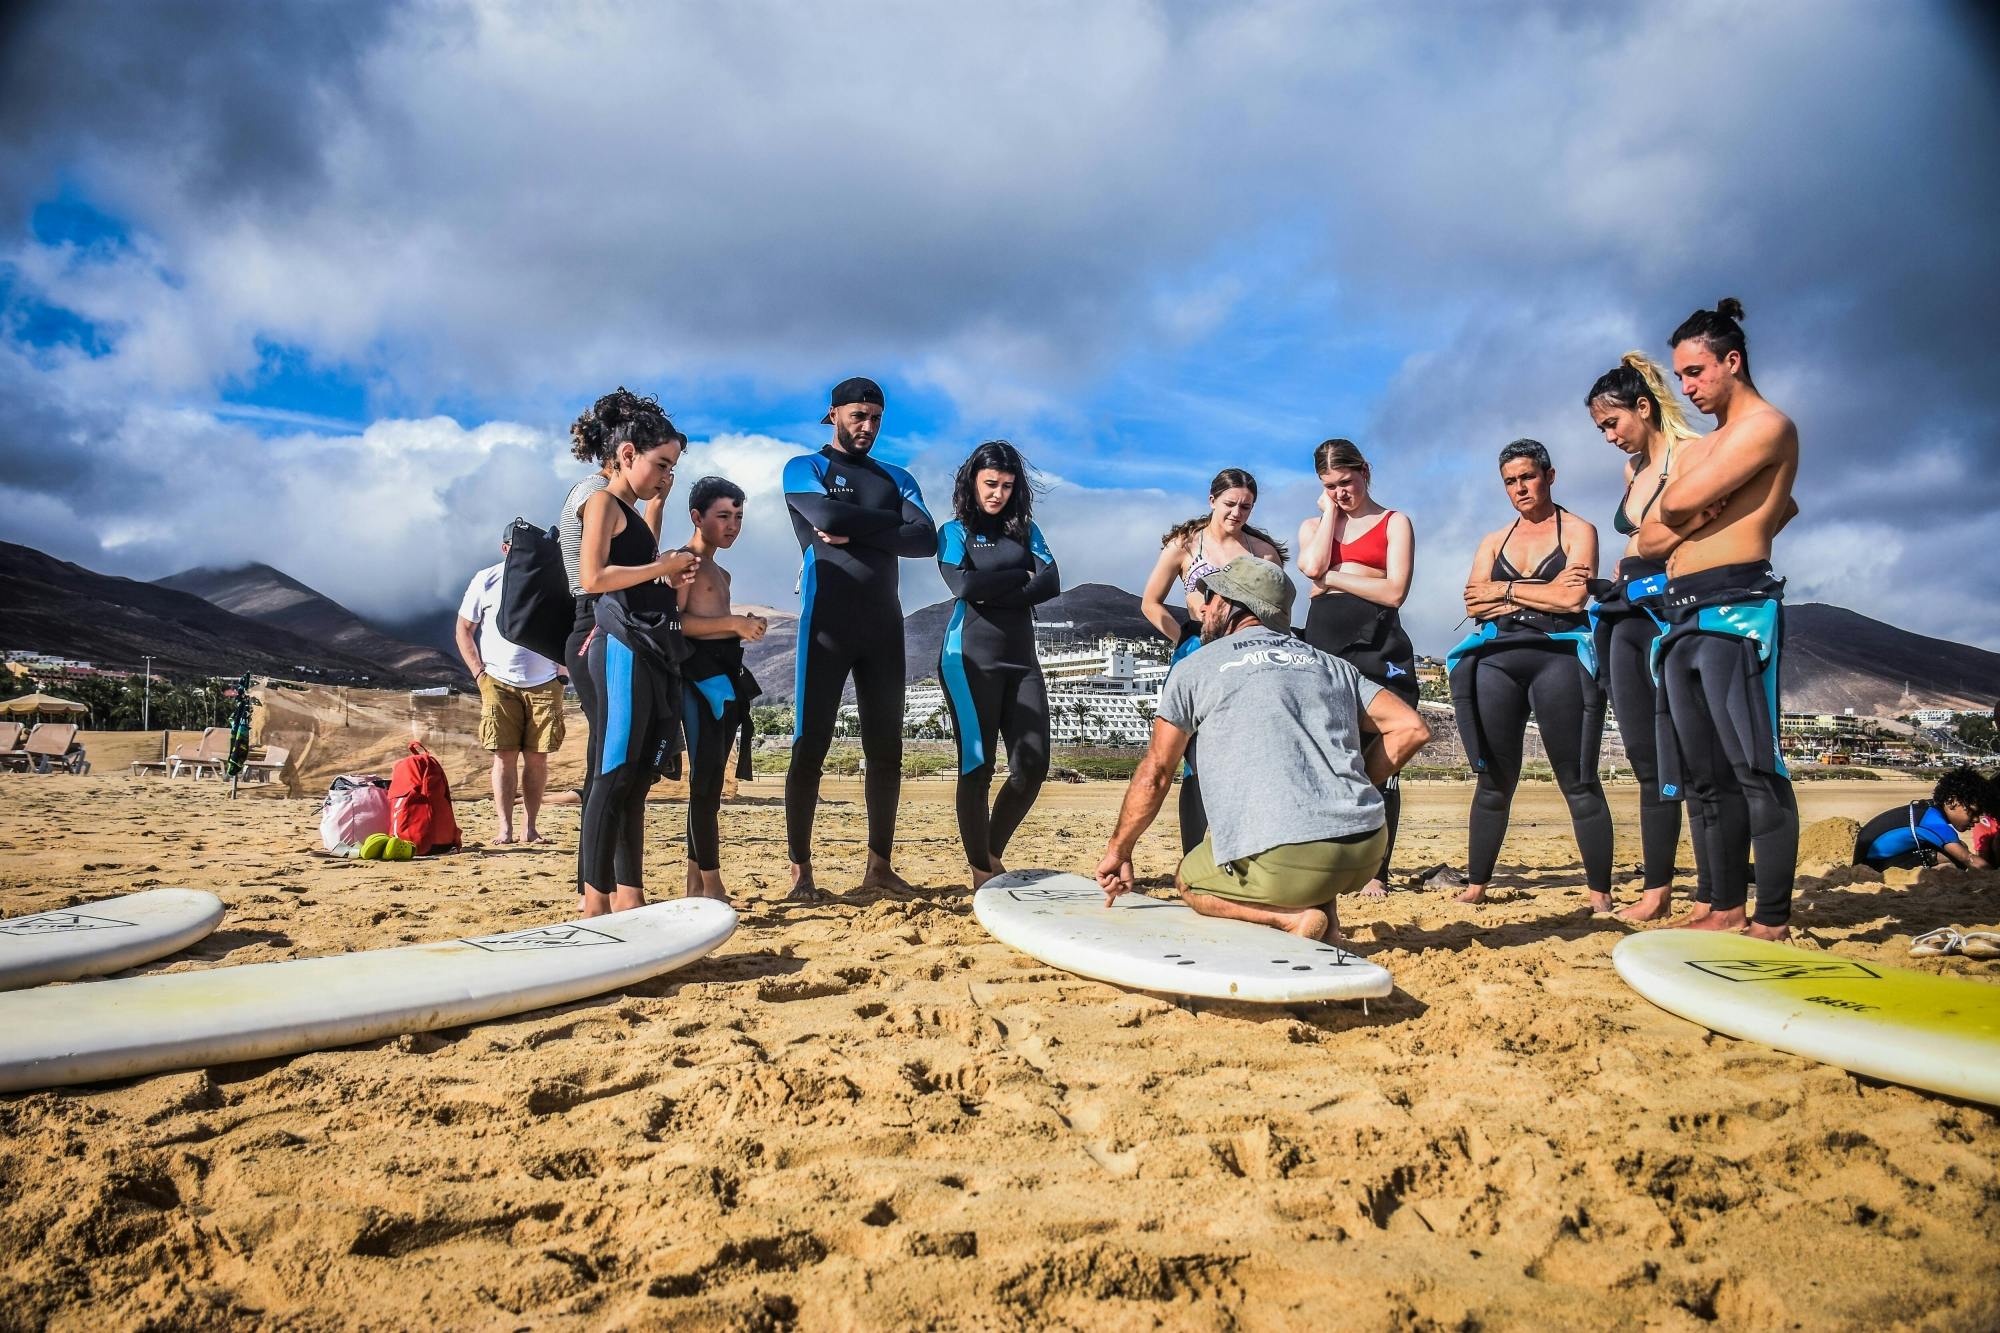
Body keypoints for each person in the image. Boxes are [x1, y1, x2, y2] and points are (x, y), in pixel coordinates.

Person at [1095, 556, 1430, 942]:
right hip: (1367, 849)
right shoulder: (1331, 665)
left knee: (1189, 880)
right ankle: (1328, 918)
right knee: (1295, 837)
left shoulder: (1197, 667)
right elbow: (1411, 728)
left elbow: (1156, 773)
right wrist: (1351, 787)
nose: (1204, 608)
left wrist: (1119, 850)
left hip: (1289, 858)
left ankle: (1293, 920)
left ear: (1233, 605)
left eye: (1211, 596)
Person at [1636, 299, 1802, 939]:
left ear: (1733, 361)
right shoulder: (1707, 446)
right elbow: (1650, 538)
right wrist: (1689, 514)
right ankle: (1722, 904)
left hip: (1736, 612)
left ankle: (1773, 919)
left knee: (1755, 768)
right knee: (1702, 779)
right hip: (1680, 618)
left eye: (1696, 372)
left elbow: (1674, 504)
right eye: (1680, 376)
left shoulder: (1768, 426)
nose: (1688, 387)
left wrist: (1689, 512)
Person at [783, 377, 937, 898]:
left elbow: (925, 539)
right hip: (825, 622)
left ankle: (878, 867)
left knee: (885, 749)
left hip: (883, 627)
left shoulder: (897, 476)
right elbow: (824, 515)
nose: (867, 426)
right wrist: (886, 523)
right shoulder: (806, 467)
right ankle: (801, 872)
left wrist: (858, 526)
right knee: (810, 745)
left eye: (875, 417)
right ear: (833, 415)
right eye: (857, 416)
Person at [1445, 439, 1615, 911]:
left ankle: (1600, 894)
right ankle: (1477, 884)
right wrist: (1537, 590)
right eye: (1510, 482)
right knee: (1494, 779)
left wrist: (1505, 592)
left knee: (1577, 778)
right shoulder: (1493, 540)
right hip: (1497, 660)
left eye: (1528, 477)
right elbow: (1473, 602)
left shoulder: (1579, 530)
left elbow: (1573, 601)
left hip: (1557, 658)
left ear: (1550, 475)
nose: (1520, 488)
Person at [1584, 352, 1711, 921]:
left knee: (1685, 753)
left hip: (1671, 613)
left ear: (1644, 407)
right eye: (1600, 429)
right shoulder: (1633, 470)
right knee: (1642, 756)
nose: (1609, 437)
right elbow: (1635, 544)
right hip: (1622, 616)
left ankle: (1713, 887)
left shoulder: (1690, 456)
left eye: (1612, 424)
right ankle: (1658, 888)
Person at [573, 389, 698, 916]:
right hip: (616, 649)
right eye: (661, 464)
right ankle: (592, 904)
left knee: (634, 778)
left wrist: (670, 565)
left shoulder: (630, 510)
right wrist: (660, 567)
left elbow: (641, 561)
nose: (666, 474)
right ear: (627, 455)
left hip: (641, 650)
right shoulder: (601, 500)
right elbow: (592, 576)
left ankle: (625, 899)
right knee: (612, 772)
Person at [1139, 469, 1288, 856]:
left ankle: (1241, 848)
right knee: (1192, 758)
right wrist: (1186, 638)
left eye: (1246, 506)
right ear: (1211, 501)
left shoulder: (1262, 553)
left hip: (1243, 655)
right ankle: (1193, 855)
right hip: (1196, 650)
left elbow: (1274, 610)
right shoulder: (1184, 545)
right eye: (1230, 504)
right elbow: (1150, 603)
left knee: (1243, 751)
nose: (1238, 513)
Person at [1295, 439, 1418, 897]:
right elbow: (1310, 565)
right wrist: (1329, 514)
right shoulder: (1316, 523)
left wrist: (1331, 580)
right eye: (1331, 486)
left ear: (1365, 469)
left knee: (1381, 753)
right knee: (1329, 750)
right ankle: (1328, 858)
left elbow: (1394, 592)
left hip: (1378, 645)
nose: (1342, 492)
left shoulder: (1394, 521)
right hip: (1326, 647)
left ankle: (1375, 870)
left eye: (1346, 481)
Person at [936, 441, 1060, 887]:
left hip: (1021, 659)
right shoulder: (954, 532)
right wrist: (1017, 576)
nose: (998, 494)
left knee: (1032, 764)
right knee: (977, 764)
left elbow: (1052, 581)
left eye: (1007, 486)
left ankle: (988, 849)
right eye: (990, 484)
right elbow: (962, 584)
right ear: (972, 482)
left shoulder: (1026, 530)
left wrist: (996, 586)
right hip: (969, 659)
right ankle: (981, 871)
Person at [677, 477, 767, 906]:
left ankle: (696, 884)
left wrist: (742, 624)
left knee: (712, 784)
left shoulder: (721, 570)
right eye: (723, 516)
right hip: (696, 683)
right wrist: (733, 625)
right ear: (697, 517)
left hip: (724, 680)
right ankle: (712, 886)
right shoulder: (683, 562)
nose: (733, 526)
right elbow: (674, 625)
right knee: (705, 785)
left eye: (739, 518)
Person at [455, 524, 567, 845]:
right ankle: (504, 827)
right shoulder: (486, 578)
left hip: (546, 682)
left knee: (537, 758)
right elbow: (464, 628)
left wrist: (562, 673)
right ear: (506, 549)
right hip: (498, 681)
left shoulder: (554, 577)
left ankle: (530, 827)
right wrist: (479, 675)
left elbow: (573, 624)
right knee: (503, 756)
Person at [1853, 767, 1996, 872]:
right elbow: (1967, 858)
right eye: (1973, 812)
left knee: (1958, 847)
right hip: (1871, 866)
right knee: (1955, 856)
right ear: (1952, 802)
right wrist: (1994, 877)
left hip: (1871, 857)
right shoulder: (1933, 822)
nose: (1977, 820)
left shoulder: (1928, 810)